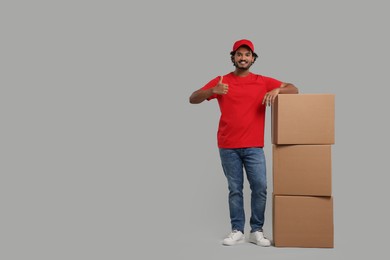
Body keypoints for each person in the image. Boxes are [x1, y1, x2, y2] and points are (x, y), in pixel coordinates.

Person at [189, 39, 298, 246]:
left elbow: (294, 89)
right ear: (233, 57)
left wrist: (278, 90)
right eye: (239, 54)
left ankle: (256, 230)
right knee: (235, 189)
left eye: (247, 54)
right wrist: (212, 91)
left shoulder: (262, 81)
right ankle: (237, 229)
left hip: (254, 146)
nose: (243, 58)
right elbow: (193, 98)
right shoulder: (221, 80)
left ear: (253, 58)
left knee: (260, 187)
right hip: (228, 145)